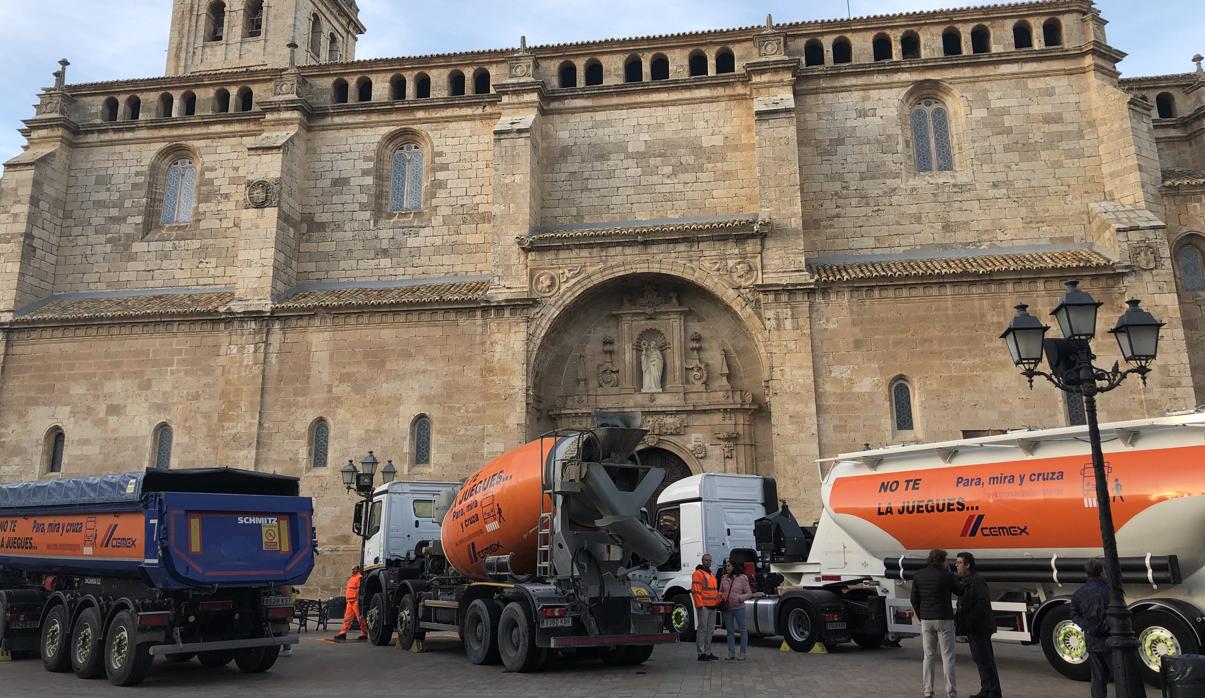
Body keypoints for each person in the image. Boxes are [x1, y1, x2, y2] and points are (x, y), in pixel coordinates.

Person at [911, 548, 963, 698]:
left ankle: (928, 691)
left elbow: (914, 599)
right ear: (941, 560)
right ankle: (951, 692)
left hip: (927, 620)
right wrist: (950, 573)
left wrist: (922, 616)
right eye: (946, 560)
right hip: (944, 619)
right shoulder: (947, 576)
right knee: (948, 657)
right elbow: (960, 591)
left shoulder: (918, 575)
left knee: (928, 656)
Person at [955, 552, 1001, 698]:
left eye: (959, 563)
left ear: (968, 565)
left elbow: (982, 602)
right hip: (972, 627)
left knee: (986, 659)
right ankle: (985, 689)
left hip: (980, 627)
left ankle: (994, 691)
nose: (956, 565)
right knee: (979, 659)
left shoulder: (977, 580)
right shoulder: (965, 580)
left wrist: (969, 619)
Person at [1071, 559, 1111, 698]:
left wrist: (1089, 627)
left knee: (1098, 678)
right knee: (1122, 675)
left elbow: (1074, 614)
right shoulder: (1109, 591)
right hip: (1109, 639)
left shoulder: (1079, 593)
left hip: (1092, 639)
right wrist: (1104, 628)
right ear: (1102, 572)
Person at [718, 559, 760, 660]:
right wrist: (720, 597)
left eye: (728, 566)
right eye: (726, 566)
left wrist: (739, 598)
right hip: (727, 608)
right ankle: (731, 652)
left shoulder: (742, 578)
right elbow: (720, 591)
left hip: (739, 608)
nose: (726, 568)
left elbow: (749, 593)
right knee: (729, 631)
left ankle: (743, 652)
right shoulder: (724, 578)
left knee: (743, 630)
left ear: (734, 567)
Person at [691, 553, 721, 661]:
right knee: (702, 630)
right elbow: (696, 591)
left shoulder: (711, 574)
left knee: (710, 630)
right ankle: (701, 653)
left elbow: (714, 591)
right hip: (704, 607)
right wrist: (700, 605)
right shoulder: (698, 573)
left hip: (712, 606)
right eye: (706, 560)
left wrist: (717, 601)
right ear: (702, 561)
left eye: (709, 560)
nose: (708, 561)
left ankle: (708, 652)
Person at [332, 565, 367, 642]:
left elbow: (360, 590)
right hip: (350, 601)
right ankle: (342, 633)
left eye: (354, 569)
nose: (352, 570)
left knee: (360, 618)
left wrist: (359, 599)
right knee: (347, 619)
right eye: (352, 569)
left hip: (356, 601)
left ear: (357, 569)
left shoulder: (359, 577)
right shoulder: (352, 578)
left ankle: (364, 633)